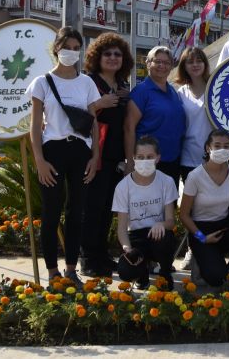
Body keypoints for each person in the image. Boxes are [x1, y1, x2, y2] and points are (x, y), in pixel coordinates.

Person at [27, 27, 103, 283]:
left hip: (80, 151)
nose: (71, 52)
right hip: (53, 150)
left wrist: (95, 157)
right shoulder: (42, 82)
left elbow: (93, 122)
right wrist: (39, 160)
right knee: (50, 213)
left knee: (76, 212)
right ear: (56, 49)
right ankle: (52, 273)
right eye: (66, 47)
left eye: (75, 47)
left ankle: (71, 269)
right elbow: (35, 126)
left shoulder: (87, 82)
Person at [80, 33, 132, 277]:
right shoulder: (88, 81)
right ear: (97, 57)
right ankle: (88, 259)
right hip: (94, 156)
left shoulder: (121, 86)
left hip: (115, 158)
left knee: (106, 210)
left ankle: (102, 255)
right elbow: (76, 113)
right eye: (108, 54)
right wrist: (100, 103)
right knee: (91, 208)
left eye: (117, 54)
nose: (113, 58)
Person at [179, 130, 229, 286]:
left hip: (224, 228)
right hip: (202, 231)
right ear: (208, 148)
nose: (222, 150)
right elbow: (184, 215)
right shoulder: (195, 176)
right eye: (217, 146)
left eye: (226, 146)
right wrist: (202, 237)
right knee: (216, 278)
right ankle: (203, 259)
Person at [113, 137, 179, 289]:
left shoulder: (167, 181)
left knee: (166, 239)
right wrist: (127, 249)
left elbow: (171, 221)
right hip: (135, 237)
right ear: (134, 158)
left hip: (158, 234)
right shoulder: (123, 187)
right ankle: (141, 275)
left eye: (150, 157)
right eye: (141, 157)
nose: (145, 161)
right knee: (125, 271)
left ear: (158, 158)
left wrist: (161, 224)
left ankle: (164, 273)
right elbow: (122, 228)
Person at [125, 46, 185, 180]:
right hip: (148, 162)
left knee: (170, 201)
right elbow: (129, 129)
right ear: (148, 63)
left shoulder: (173, 91)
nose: (162, 66)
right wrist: (130, 162)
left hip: (173, 161)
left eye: (166, 62)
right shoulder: (140, 92)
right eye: (157, 61)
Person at [174, 47, 211, 184]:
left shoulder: (216, 88)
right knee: (192, 203)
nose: (195, 65)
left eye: (199, 61)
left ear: (205, 64)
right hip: (188, 158)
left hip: (215, 156)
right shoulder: (180, 93)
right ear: (184, 66)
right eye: (190, 62)